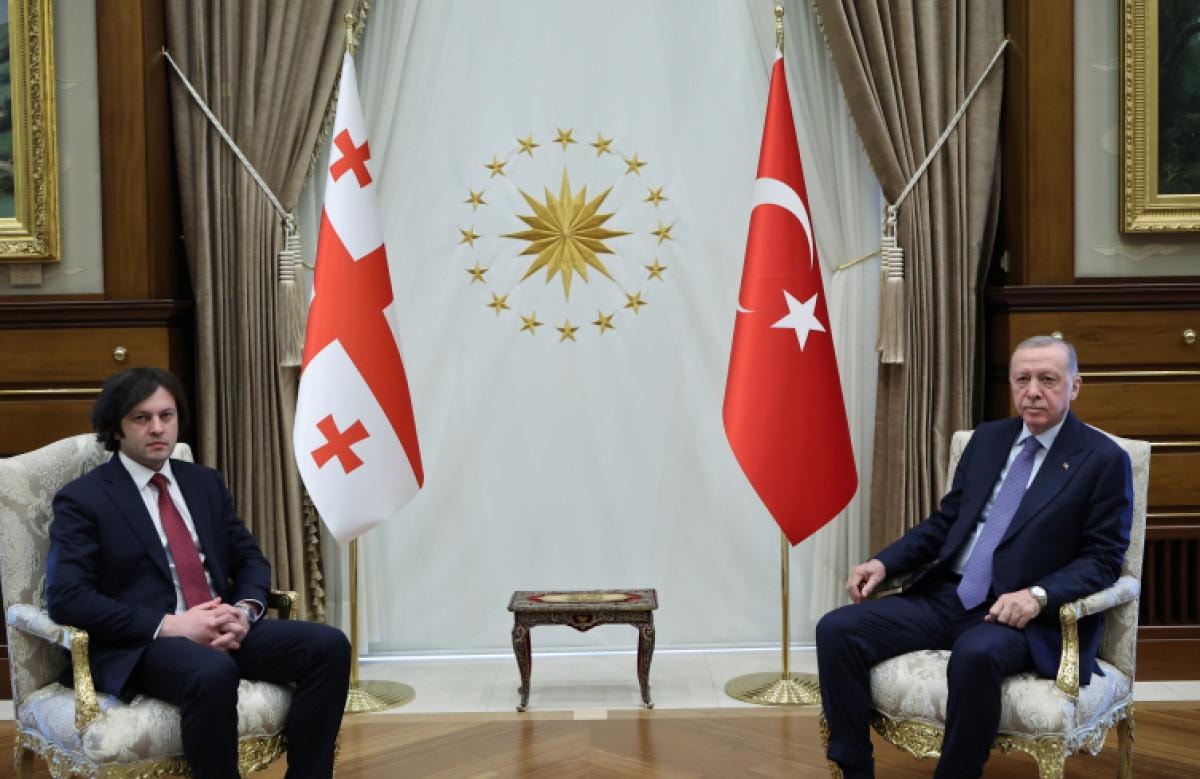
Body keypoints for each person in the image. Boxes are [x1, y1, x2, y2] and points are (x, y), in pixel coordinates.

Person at [816, 336, 1132, 779]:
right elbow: (946, 523)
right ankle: (854, 771)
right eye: (1022, 379)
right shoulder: (988, 440)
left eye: (1047, 380)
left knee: (975, 654)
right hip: (950, 595)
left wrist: (1038, 595)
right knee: (837, 629)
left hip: (1019, 614)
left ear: (1074, 386)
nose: (1033, 391)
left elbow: (1102, 559)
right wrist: (884, 563)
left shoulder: (1103, 460)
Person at [46, 367, 351, 778]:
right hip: (146, 643)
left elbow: (250, 559)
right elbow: (67, 596)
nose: (157, 428)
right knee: (212, 671)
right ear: (116, 429)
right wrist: (172, 625)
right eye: (141, 418)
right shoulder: (84, 499)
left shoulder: (204, 483)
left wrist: (243, 612)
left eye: (166, 415)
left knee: (329, 646)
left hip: (222, 624)